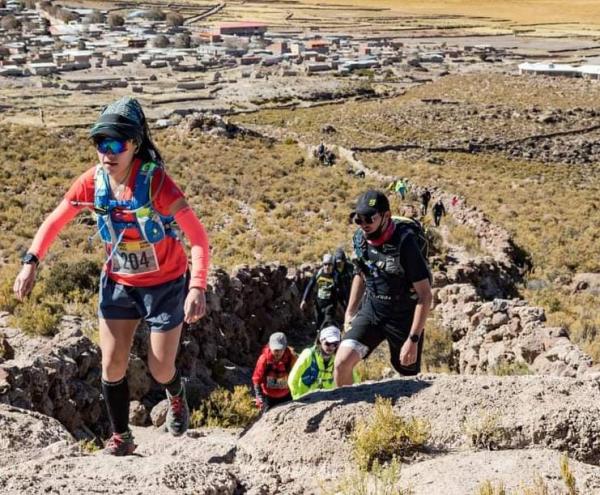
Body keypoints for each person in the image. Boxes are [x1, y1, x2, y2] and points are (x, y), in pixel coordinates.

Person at [13, 96, 210, 455]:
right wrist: (31, 262)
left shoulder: (157, 184)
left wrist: (196, 286)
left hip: (165, 284)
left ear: (134, 144)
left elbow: (197, 237)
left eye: (117, 143)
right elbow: (55, 220)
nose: (108, 152)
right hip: (119, 282)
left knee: (160, 367)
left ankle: (175, 394)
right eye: (101, 144)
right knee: (111, 363)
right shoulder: (92, 183)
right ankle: (121, 437)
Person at [334, 190, 432, 386]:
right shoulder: (360, 239)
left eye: (369, 218)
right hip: (373, 309)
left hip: (403, 315)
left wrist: (413, 340)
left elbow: (425, 295)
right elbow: (361, 273)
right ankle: (350, 411)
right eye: (358, 219)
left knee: (408, 375)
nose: (363, 224)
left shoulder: (405, 243)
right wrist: (350, 312)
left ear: (386, 216)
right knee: (341, 363)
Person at [288, 325, 358, 400]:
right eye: (328, 343)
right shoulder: (308, 355)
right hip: (307, 398)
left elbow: (354, 377)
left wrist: (356, 393)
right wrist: (298, 397)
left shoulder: (340, 358)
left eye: (335, 344)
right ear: (321, 340)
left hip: (329, 398)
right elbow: (292, 379)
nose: (331, 347)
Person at [252, 332, 296, 412]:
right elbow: (256, 379)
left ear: (285, 347)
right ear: (270, 346)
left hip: (287, 395)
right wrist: (260, 398)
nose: (278, 352)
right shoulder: (264, 359)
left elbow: (297, 376)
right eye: (275, 349)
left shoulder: (291, 358)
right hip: (268, 398)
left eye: (280, 349)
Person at [300, 253, 339, 331]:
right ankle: (319, 339)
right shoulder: (318, 274)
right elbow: (309, 286)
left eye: (329, 265)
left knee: (328, 322)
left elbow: (340, 290)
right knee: (319, 323)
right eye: (325, 264)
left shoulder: (336, 276)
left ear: (332, 265)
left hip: (330, 304)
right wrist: (304, 299)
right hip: (318, 303)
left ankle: (328, 340)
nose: (327, 267)